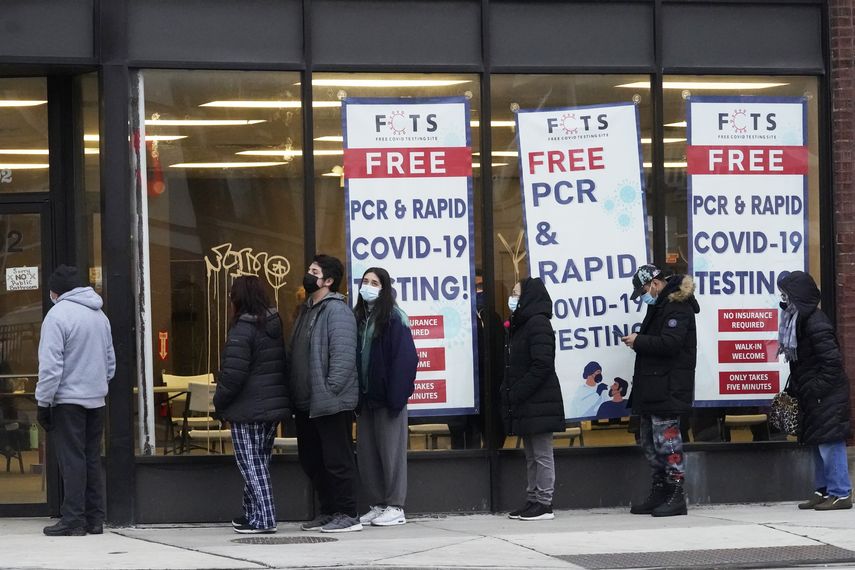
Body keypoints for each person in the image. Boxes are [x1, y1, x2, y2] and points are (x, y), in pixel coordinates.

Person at [35, 265, 115, 536]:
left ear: (55, 292)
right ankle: (95, 519)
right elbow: (110, 362)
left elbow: (50, 367)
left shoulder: (57, 316)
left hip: (67, 401)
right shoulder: (100, 315)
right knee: (91, 458)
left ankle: (73, 520)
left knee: (72, 460)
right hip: (96, 400)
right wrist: (97, 385)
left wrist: (43, 402)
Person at [288, 254, 362, 533]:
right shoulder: (307, 309)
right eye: (309, 269)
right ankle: (329, 511)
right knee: (313, 460)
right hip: (306, 403)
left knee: (337, 460)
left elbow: (343, 358)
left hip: (330, 402)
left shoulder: (337, 311)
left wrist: (329, 389)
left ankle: (348, 513)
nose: (308, 275)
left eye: (314, 271)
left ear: (328, 281)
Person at [214, 276, 291, 534]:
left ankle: (265, 518)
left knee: (251, 464)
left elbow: (232, 376)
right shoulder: (272, 324)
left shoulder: (242, 329)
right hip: (270, 407)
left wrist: (219, 402)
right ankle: (251, 514)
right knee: (259, 462)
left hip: (247, 409)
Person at [622, 264, 698, 517]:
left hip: (668, 387)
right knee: (649, 442)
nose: (643, 297)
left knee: (668, 443)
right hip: (653, 387)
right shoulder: (660, 306)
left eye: (643, 291)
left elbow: (671, 344)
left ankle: (676, 495)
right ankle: (660, 491)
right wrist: (640, 340)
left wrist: (638, 340)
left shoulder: (678, 307)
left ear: (654, 284)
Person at [777, 271, 852, 510]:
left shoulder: (815, 322)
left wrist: (813, 388)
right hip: (814, 395)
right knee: (818, 443)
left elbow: (832, 363)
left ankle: (840, 493)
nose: (783, 299)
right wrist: (801, 389)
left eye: (786, 295)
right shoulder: (799, 320)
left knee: (830, 444)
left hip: (826, 395)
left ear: (797, 296)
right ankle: (823, 490)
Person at [353, 268, 418, 527]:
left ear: (384, 288)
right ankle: (378, 504)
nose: (368, 286)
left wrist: (396, 397)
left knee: (392, 455)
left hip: (389, 400)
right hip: (367, 399)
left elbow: (406, 360)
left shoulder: (394, 317)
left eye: (375, 282)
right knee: (368, 455)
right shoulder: (360, 317)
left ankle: (395, 506)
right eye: (365, 281)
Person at [502, 278, 565, 521]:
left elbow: (542, 364)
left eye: (516, 293)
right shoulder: (522, 324)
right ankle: (533, 499)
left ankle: (544, 503)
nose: (512, 297)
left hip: (539, 400)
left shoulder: (538, 323)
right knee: (531, 455)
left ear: (528, 296)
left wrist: (517, 391)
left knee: (542, 454)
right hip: (528, 401)